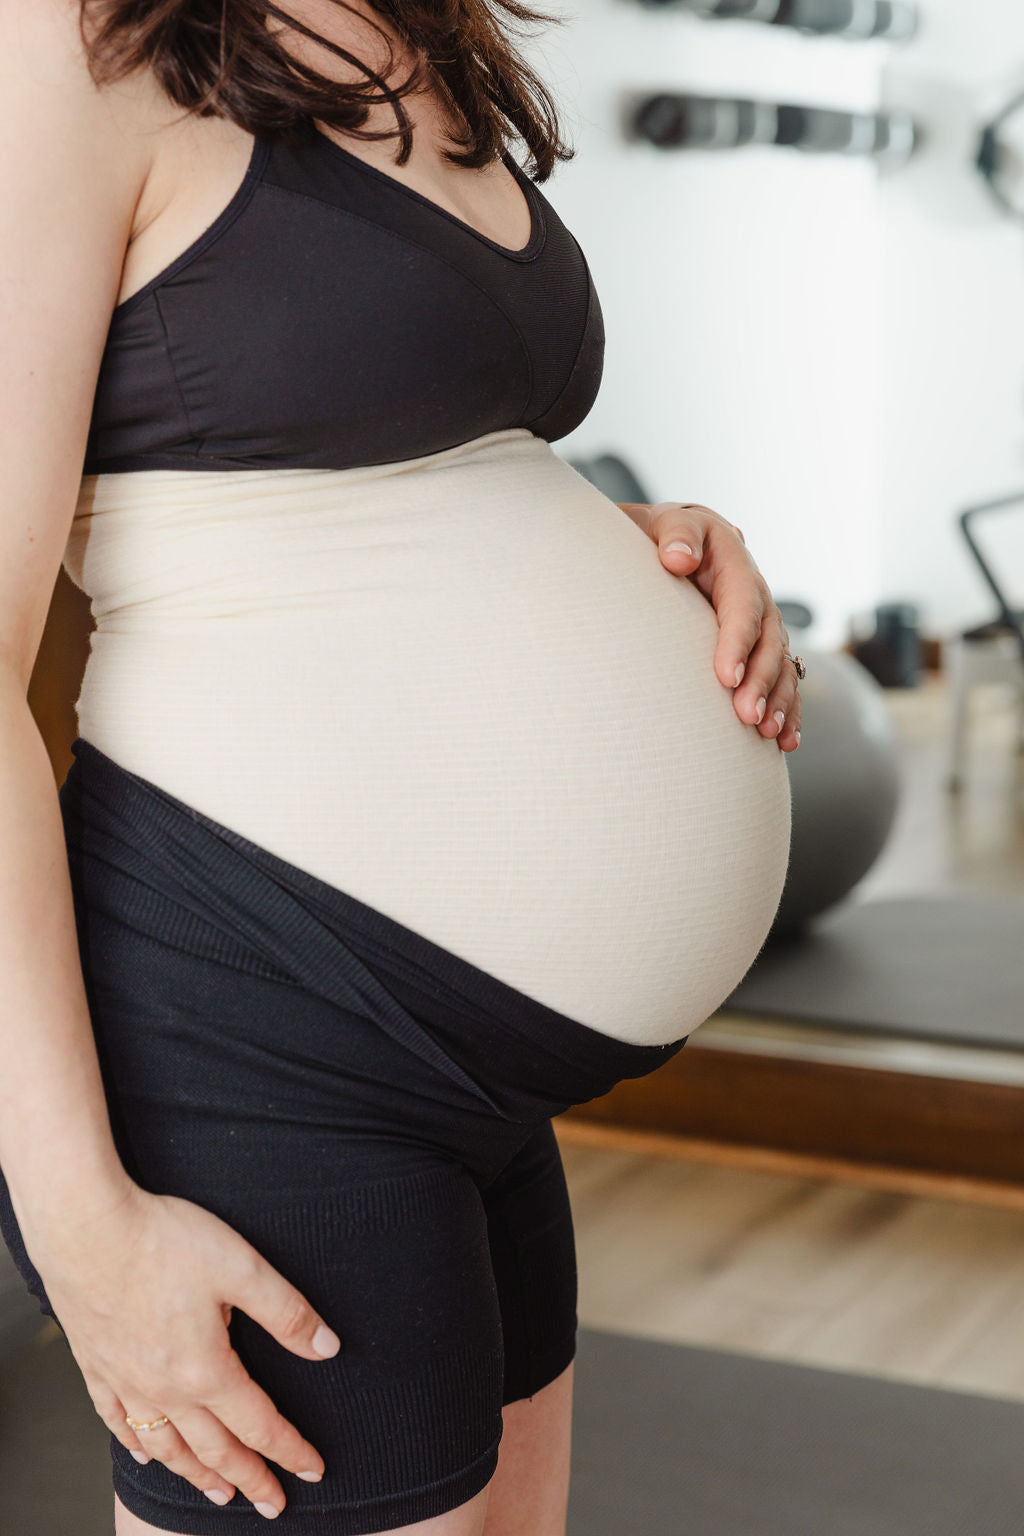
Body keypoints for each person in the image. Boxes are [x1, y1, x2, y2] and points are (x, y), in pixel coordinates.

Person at [0, 1, 801, 1533]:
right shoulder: (61, 37)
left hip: (469, 1073)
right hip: (264, 1033)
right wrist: (80, 1226)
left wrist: (636, 551)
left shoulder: (416, 22)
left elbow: (349, 455)